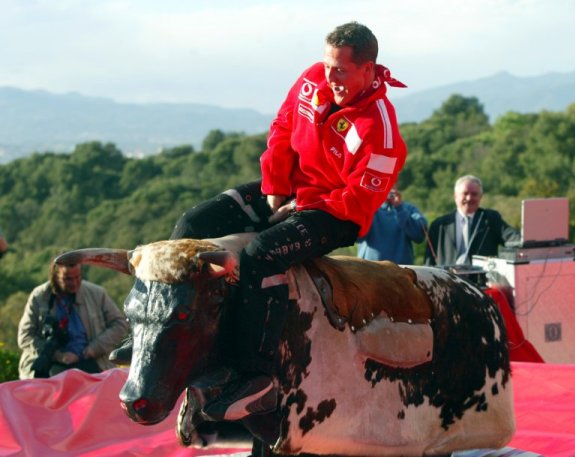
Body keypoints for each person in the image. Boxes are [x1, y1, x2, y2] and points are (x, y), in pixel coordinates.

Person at [112, 22, 407, 421]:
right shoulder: (312, 81)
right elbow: (283, 128)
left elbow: (359, 202)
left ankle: (253, 371)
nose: (330, 77)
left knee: (260, 254)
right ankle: (150, 336)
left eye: (341, 70)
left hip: (335, 212)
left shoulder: (382, 130)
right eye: (328, 66)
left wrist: (300, 206)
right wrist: (275, 187)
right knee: (191, 225)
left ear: (368, 70)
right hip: (290, 190)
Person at [17, 260, 129, 379]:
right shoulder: (39, 296)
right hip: (51, 364)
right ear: (55, 277)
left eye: (78, 277)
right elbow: (25, 336)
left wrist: (92, 349)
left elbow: (120, 324)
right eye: (68, 279)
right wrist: (57, 355)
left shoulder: (96, 293)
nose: (74, 283)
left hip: (92, 361)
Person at [424, 175, 520, 266]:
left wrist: (527, 242)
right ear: (455, 196)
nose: (469, 198)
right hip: (448, 280)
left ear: (480, 197)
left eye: (474, 194)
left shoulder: (491, 219)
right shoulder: (439, 225)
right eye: (465, 193)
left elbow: (511, 237)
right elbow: (429, 261)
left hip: (481, 281)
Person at [357, 188, 427, 264]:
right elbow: (357, 238)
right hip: (370, 269)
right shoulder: (368, 207)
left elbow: (419, 236)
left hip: (400, 270)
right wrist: (369, 204)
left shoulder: (409, 209)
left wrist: (399, 208)